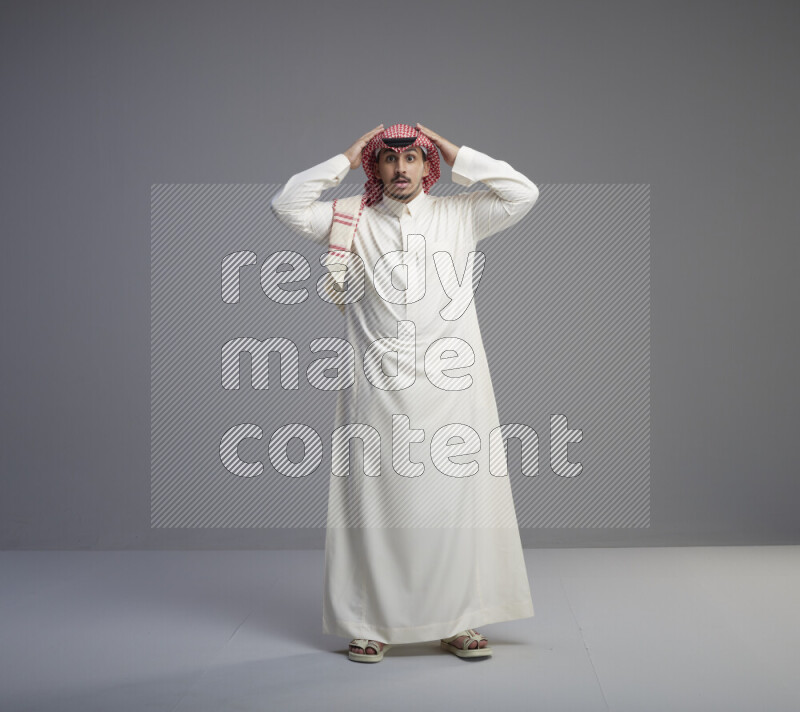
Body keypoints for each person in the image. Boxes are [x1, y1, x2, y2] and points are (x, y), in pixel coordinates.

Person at [271, 123, 540, 662]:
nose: (401, 170)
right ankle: (369, 623)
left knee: (456, 505)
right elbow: (287, 204)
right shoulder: (351, 218)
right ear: (376, 168)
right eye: (388, 161)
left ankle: (459, 621)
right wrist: (345, 157)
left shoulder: (460, 215)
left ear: (426, 166)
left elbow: (523, 192)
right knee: (372, 506)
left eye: (413, 159)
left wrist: (450, 146)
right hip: (376, 386)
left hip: (454, 388)